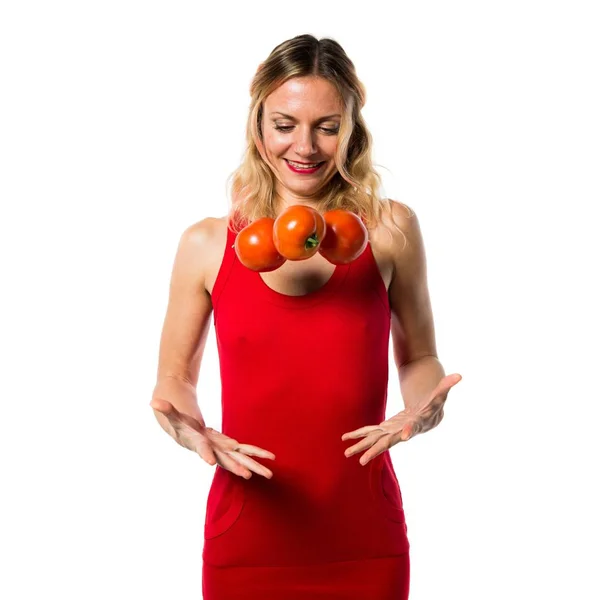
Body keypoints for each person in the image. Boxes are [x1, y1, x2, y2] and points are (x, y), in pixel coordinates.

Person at [150, 33, 462, 600]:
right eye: (285, 123)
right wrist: (188, 427)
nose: (307, 146)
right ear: (258, 126)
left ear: (352, 128)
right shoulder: (206, 244)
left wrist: (420, 407)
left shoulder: (390, 230)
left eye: (328, 125)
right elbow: (174, 378)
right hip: (247, 535)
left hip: (364, 535)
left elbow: (418, 356)